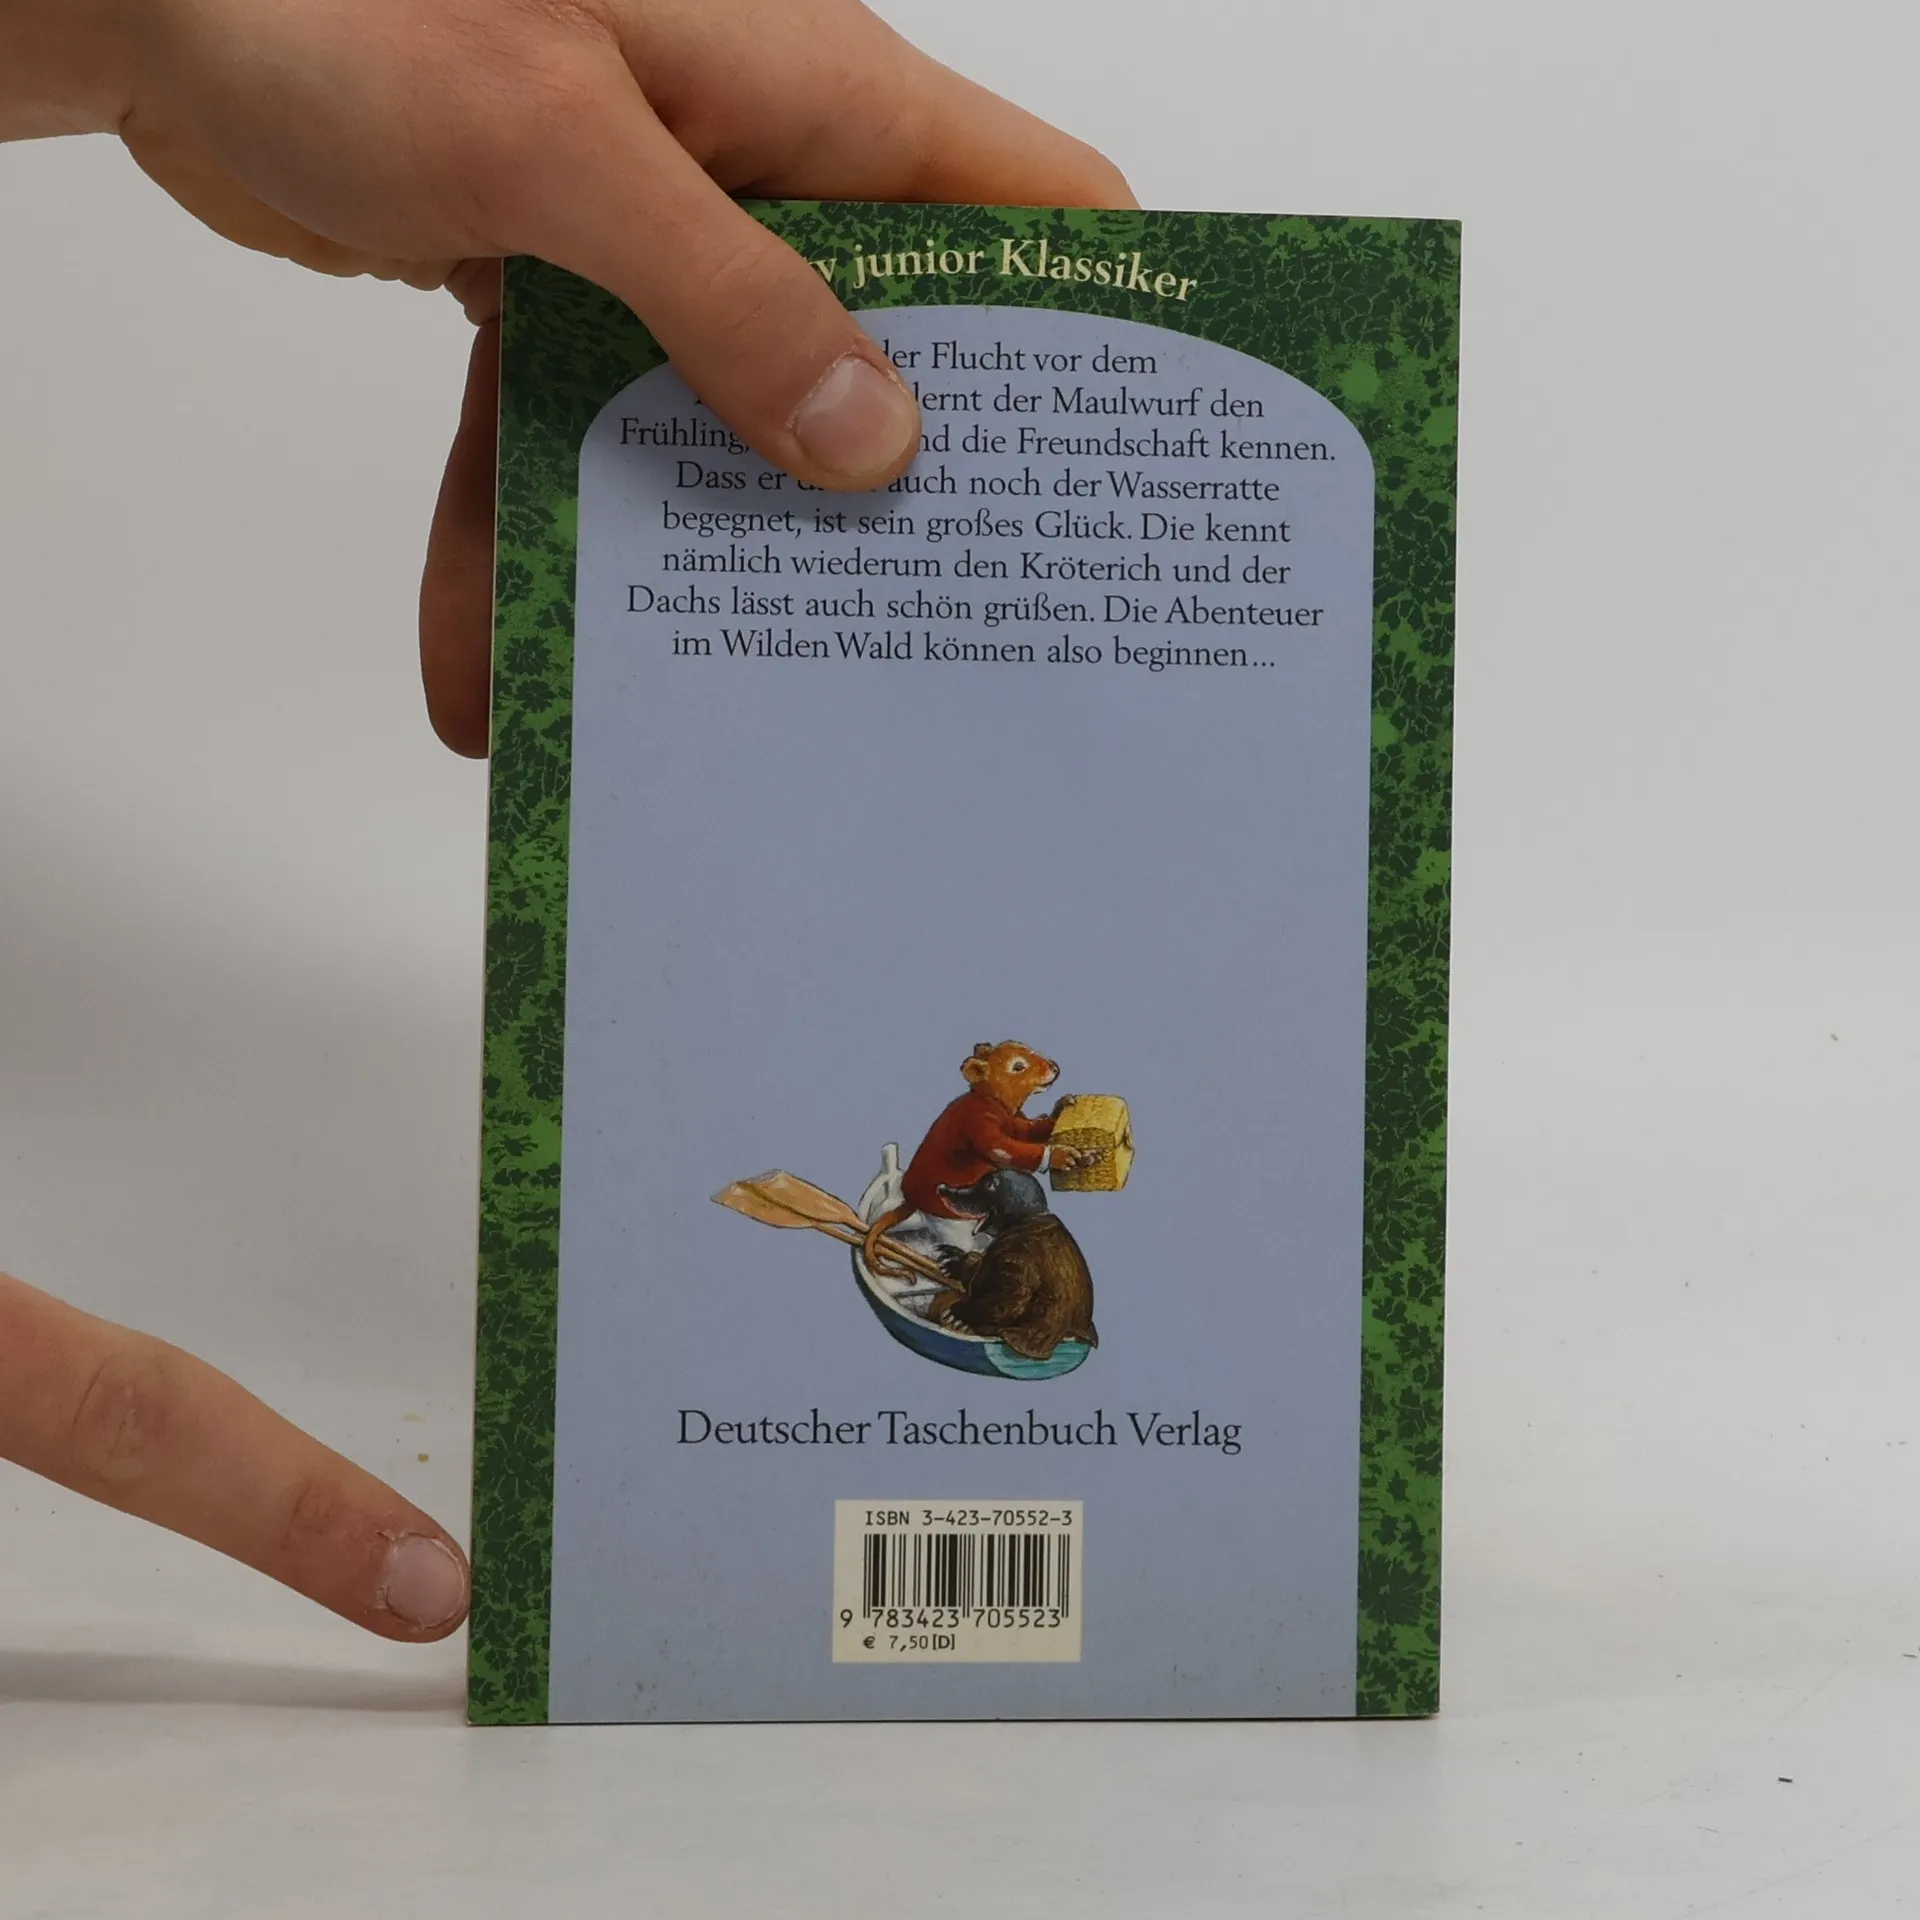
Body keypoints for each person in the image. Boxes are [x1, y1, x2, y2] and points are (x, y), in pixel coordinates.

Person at [0, 0, 1131, 1642]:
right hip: (931, 1225)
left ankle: (996, 1308)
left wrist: (151, 36)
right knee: (977, 1221)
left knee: (1013, 1227)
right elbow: (986, 1153)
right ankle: (960, 1299)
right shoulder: (976, 1113)